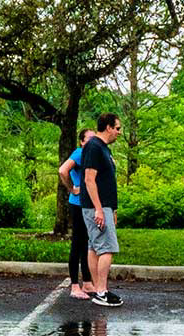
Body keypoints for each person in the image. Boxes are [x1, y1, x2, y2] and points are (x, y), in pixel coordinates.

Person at [78, 112, 123, 307]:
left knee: (95, 247)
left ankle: (99, 290)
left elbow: (107, 181)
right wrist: (98, 209)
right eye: (118, 128)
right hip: (96, 207)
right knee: (107, 248)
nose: (119, 132)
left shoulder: (103, 149)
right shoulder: (93, 147)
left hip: (104, 206)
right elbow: (89, 179)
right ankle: (102, 291)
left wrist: (111, 210)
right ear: (108, 127)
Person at [56, 124, 96, 300]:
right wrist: (72, 189)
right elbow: (62, 170)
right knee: (77, 243)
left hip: (88, 205)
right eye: (89, 139)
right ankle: (74, 286)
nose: (93, 141)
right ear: (82, 141)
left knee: (86, 244)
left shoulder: (92, 154)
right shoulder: (80, 153)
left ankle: (87, 282)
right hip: (78, 204)